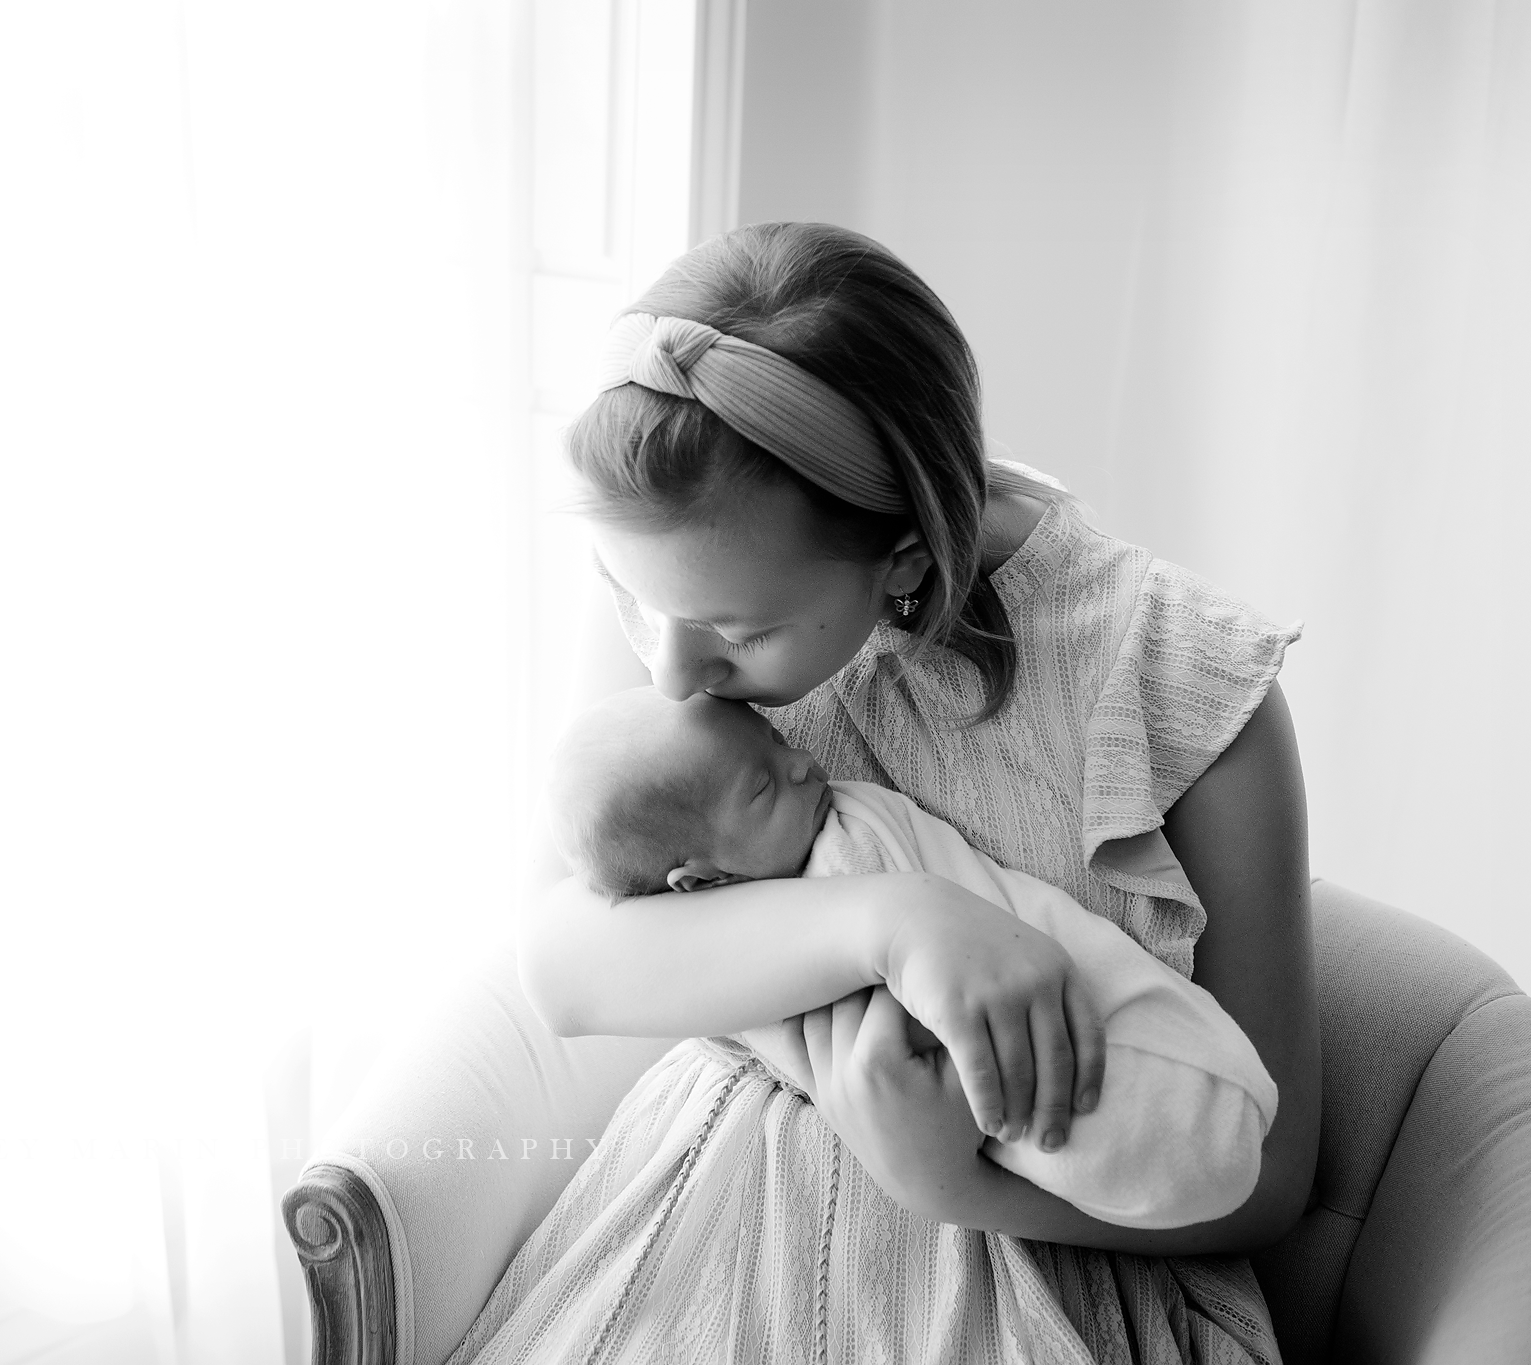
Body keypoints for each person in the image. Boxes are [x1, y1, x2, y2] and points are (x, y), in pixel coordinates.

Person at [453, 222, 1317, 1365]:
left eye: (739, 633)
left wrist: (952, 1186)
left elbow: (1263, 1179)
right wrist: (892, 922)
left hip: (1044, 1271)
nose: (669, 675)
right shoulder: (680, 573)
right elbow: (563, 964)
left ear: (903, 558)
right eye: (626, 598)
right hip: (704, 1230)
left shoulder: (1184, 689)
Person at [547, 683, 1279, 1231]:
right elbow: (553, 971)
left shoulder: (846, 830)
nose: (804, 763)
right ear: (701, 881)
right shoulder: (649, 749)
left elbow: (1273, 1192)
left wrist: (955, 1191)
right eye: (764, 785)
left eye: (779, 741)